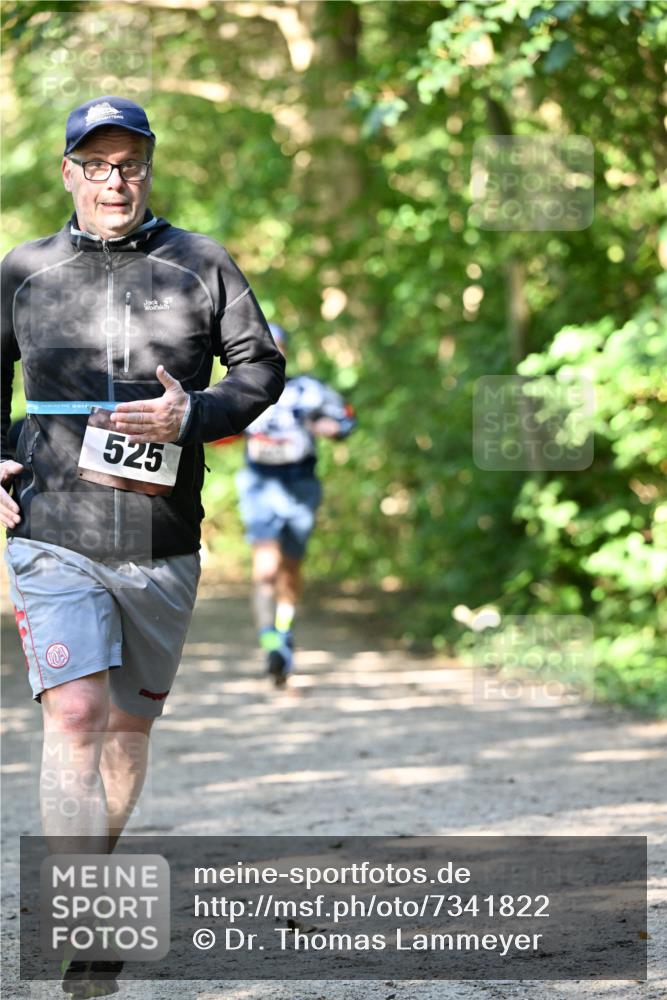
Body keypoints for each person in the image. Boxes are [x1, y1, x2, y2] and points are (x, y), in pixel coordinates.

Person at [0, 95, 284, 995]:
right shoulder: (24, 270)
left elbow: (261, 368)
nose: (113, 181)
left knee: (126, 732)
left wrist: (192, 413)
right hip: (54, 531)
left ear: (148, 169)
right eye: (96, 165)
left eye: (128, 165)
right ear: (69, 172)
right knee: (75, 718)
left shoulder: (200, 262)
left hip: (163, 539)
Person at [234, 322, 355, 686]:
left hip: (300, 484)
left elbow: (347, 417)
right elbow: (213, 426)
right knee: (266, 568)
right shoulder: (242, 390)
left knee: (290, 569)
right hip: (259, 484)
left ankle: (284, 633)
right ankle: (270, 643)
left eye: (277, 345)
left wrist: (335, 428)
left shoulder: (308, 390)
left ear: (285, 350)